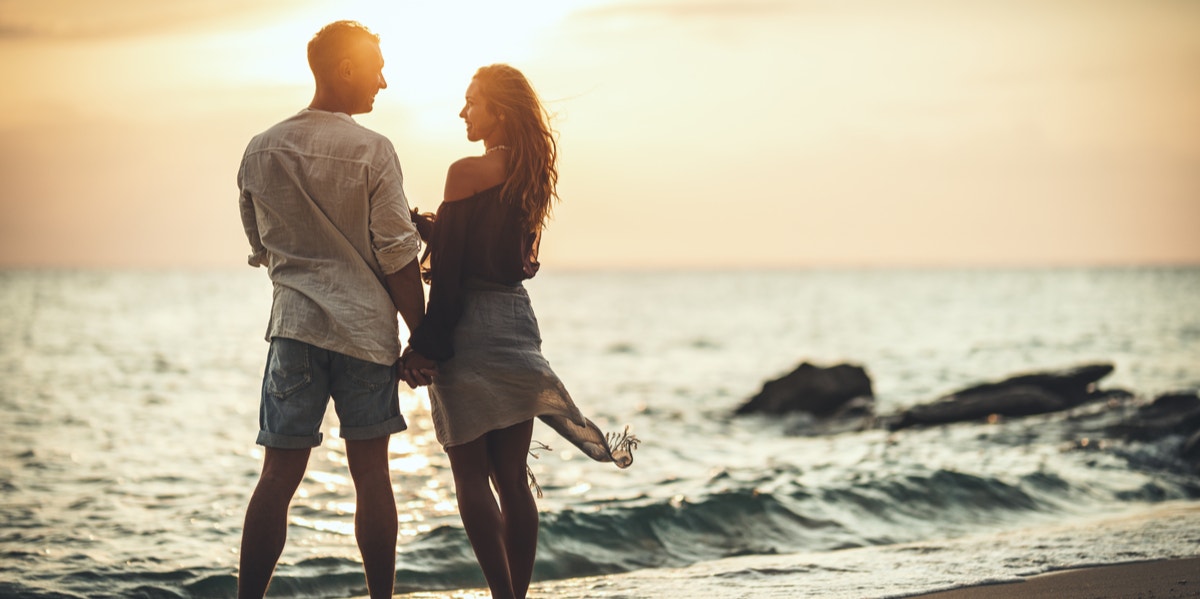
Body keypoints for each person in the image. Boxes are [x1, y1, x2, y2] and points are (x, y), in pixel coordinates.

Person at [402, 64, 638, 599]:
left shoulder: (464, 173)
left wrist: (423, 348)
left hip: (469, 327)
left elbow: (456, 273)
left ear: (499, 111)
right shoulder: (531, 176)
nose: (463, 112)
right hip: (515, 323)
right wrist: (431, 226)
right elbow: (498, 256)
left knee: (468, 476)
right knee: (510, 478)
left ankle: (501, 595)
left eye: (472, 102)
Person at [235, 20, 435, 599]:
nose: (384, 82)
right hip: (365, 334)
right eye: (376, 68)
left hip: (294, 331)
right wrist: (421, 337)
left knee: (276, 479)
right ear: (345, 68)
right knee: (372, 475)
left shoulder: (261, 148)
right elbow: (398, 254)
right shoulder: (373, 150)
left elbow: (261, 247)